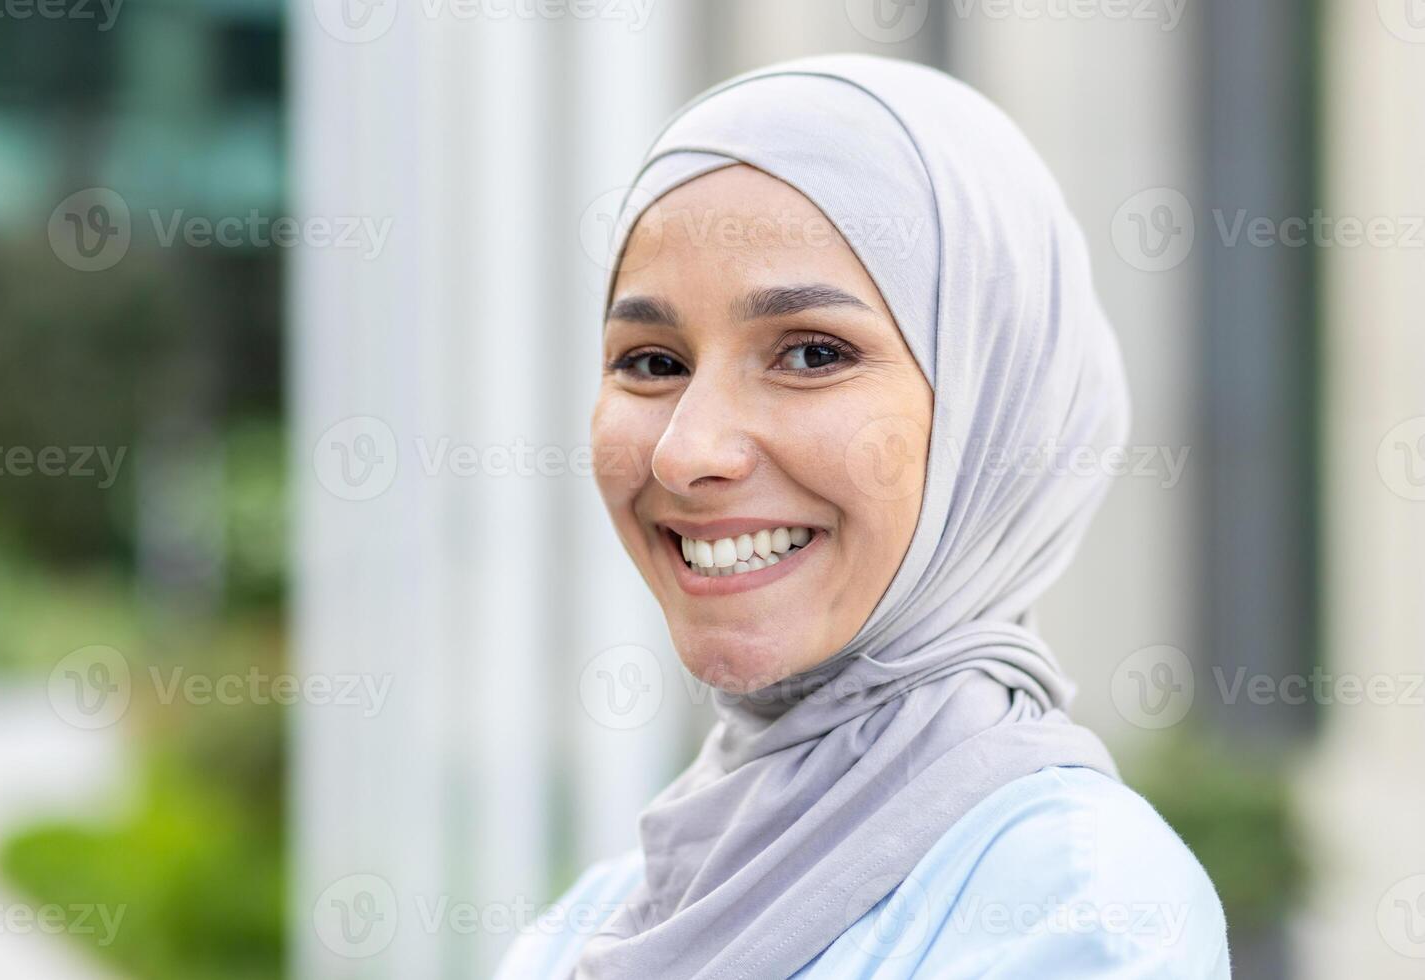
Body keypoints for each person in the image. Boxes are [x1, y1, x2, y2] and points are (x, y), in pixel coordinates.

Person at [497, 53, 1229, 979]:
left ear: (992, 405)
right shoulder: (603, 915)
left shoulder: (1070, 903)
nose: (687, 453)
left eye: (811, 354)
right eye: (650, 362)